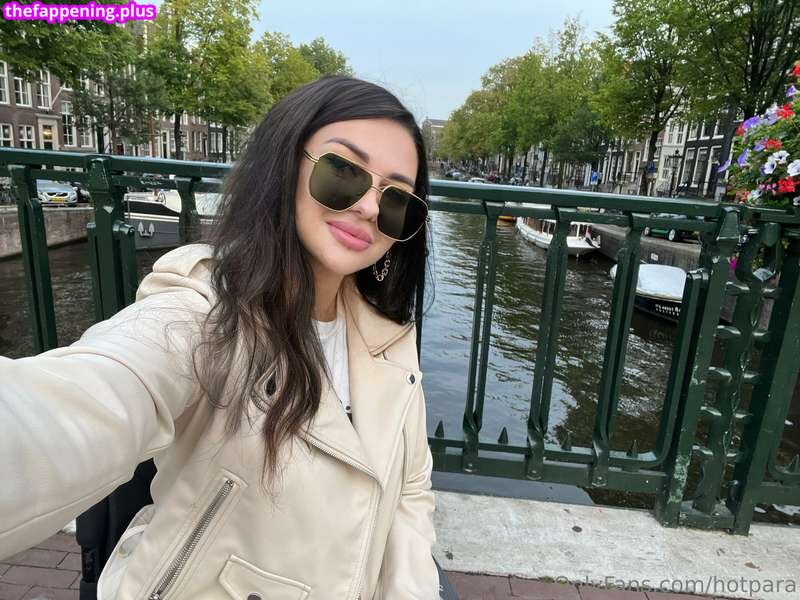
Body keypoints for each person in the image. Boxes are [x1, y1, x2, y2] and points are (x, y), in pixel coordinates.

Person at [0, 75, 457, 599]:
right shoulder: (205, 314)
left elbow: (410, 492)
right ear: (283, 165)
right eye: (343, 172)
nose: (371, 209)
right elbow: (95, 396)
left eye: (397, 199)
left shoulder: (390, 339)